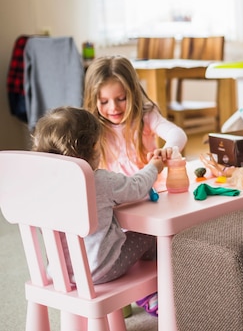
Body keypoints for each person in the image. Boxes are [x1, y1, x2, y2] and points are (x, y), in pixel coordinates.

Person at [31, 106, 169, 317]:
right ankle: (150, 291)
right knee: (150, 235)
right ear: (93, 149)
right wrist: (154, 166)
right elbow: (137, 187)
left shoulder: (40, 188)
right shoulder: (99, 181)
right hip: (100, 270)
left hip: (59, 273)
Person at [83, 55, 187, 176]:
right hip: (114, 191)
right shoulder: (92, 127)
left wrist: (167, 150)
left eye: (121, 98)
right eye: (104, 101)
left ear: (133, 93)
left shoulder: (145, 116)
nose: (113, 108)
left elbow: (177, 134)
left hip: (147, 188)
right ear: (93, 100)